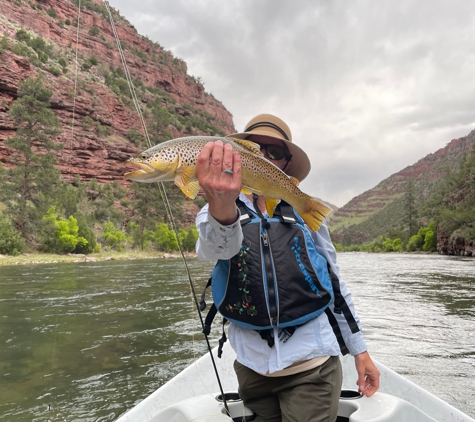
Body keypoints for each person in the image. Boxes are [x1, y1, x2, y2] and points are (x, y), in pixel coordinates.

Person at [195, 114, 380, 422]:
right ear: (237, 156)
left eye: (274, 152)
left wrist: (360, 351)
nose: (263, 157)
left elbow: (334, 283)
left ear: (286, 164)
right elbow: (214, 250)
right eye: (252, 148)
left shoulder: (306, 211)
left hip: (313, 369)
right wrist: (222, 206)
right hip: (252, 370)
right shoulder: (214, 210)